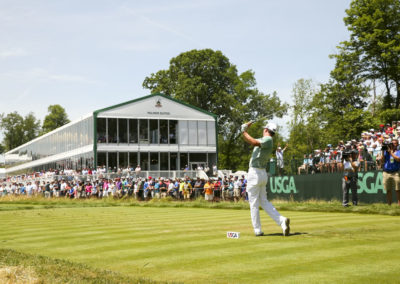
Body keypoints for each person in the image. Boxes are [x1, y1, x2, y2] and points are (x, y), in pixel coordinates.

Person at [241, 121, 290, 237]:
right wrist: (245, 130)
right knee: (263, 201)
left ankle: (257, 230)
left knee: (253, 203)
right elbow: (251, 140)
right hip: (261, 173)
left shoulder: (268, 140)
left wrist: (243, 131)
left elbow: (252, 141)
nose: (263, 130)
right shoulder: (266, 140)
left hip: (255, 173)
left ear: (267, 130)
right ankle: (282, 221)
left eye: (264, 129)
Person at [382, 139, 400, 205]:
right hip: (386, 172)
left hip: (395, 172)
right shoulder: (386, 152)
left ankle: (399, 205)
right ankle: (389, 204)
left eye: (395, 143)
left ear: (397, 145)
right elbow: (382, 160)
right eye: (392, 143)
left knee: (398, 189)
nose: (393, 145)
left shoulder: (398, 152)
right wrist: (382, 151)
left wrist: (391, 153)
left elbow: (398, 159)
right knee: (388, 189)